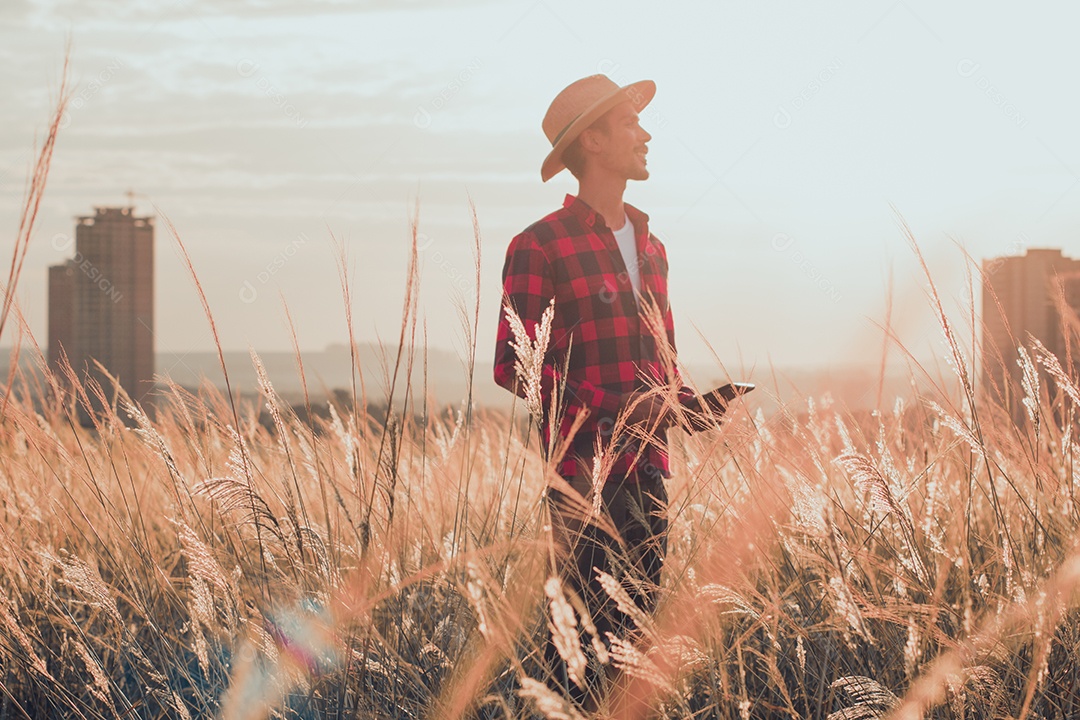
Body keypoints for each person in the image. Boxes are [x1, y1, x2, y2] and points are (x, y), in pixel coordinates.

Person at [493, 74, 696, 711]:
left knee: (634, 652)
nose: (646, 134)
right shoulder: (538, 246)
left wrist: (688, 405)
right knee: (576, 658)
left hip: (650, 477)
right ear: (594, 141)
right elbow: (515, 366)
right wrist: (613, 409)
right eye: (630, 124)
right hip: (582, 481)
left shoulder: (655, 249)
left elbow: (661, 365)